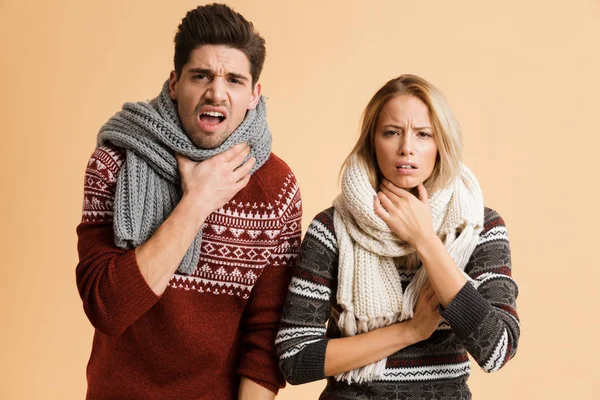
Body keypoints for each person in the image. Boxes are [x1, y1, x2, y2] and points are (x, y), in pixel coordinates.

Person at [76, 4, 302, 399]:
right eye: (201, 76)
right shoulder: (115, 161)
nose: (216, 92)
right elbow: (107, 308)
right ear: (174, 82)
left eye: (234, 79)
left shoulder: (275, 186)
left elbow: (266, 335)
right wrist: (197, 202)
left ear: (254, 94)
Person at [276, 74, 519, 399]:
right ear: (372, 143)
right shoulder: (332, 228)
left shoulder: (478, 227)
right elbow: (295, 358)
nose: (407, 148)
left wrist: (425, 240)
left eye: (423, 134)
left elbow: (497, 348)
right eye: (391, 133)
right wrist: (410, 331)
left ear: (440, 144)